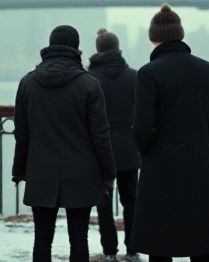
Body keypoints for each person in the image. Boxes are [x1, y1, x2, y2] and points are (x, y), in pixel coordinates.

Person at [12, 25, 117, 262]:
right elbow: (101, 137)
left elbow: (22, 134)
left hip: (40, 171)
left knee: (41, 239)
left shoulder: (27, 83)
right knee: (79, 239)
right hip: (82, 173)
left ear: (49, 48)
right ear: (77, 50)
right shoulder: (89, 85)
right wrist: (109, 173)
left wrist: (19, 169)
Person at [129, 4, 209, 262]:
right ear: (180, 35)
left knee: (159, 243)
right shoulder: (207, 69)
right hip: (197, 165)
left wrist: (146, 149)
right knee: (199, 241)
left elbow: (143, 127)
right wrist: (199, 144)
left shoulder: (149, 73)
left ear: (153, 37)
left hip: (160, 167)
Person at [87, 28, 141, 262]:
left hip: (99, 150)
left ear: (98, 50)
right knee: (131, 201)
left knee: (103, 203)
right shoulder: (135, 76)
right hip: (129, 148)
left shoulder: (89, 79)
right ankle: (132, 249)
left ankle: (109, 251)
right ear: (118, 48)